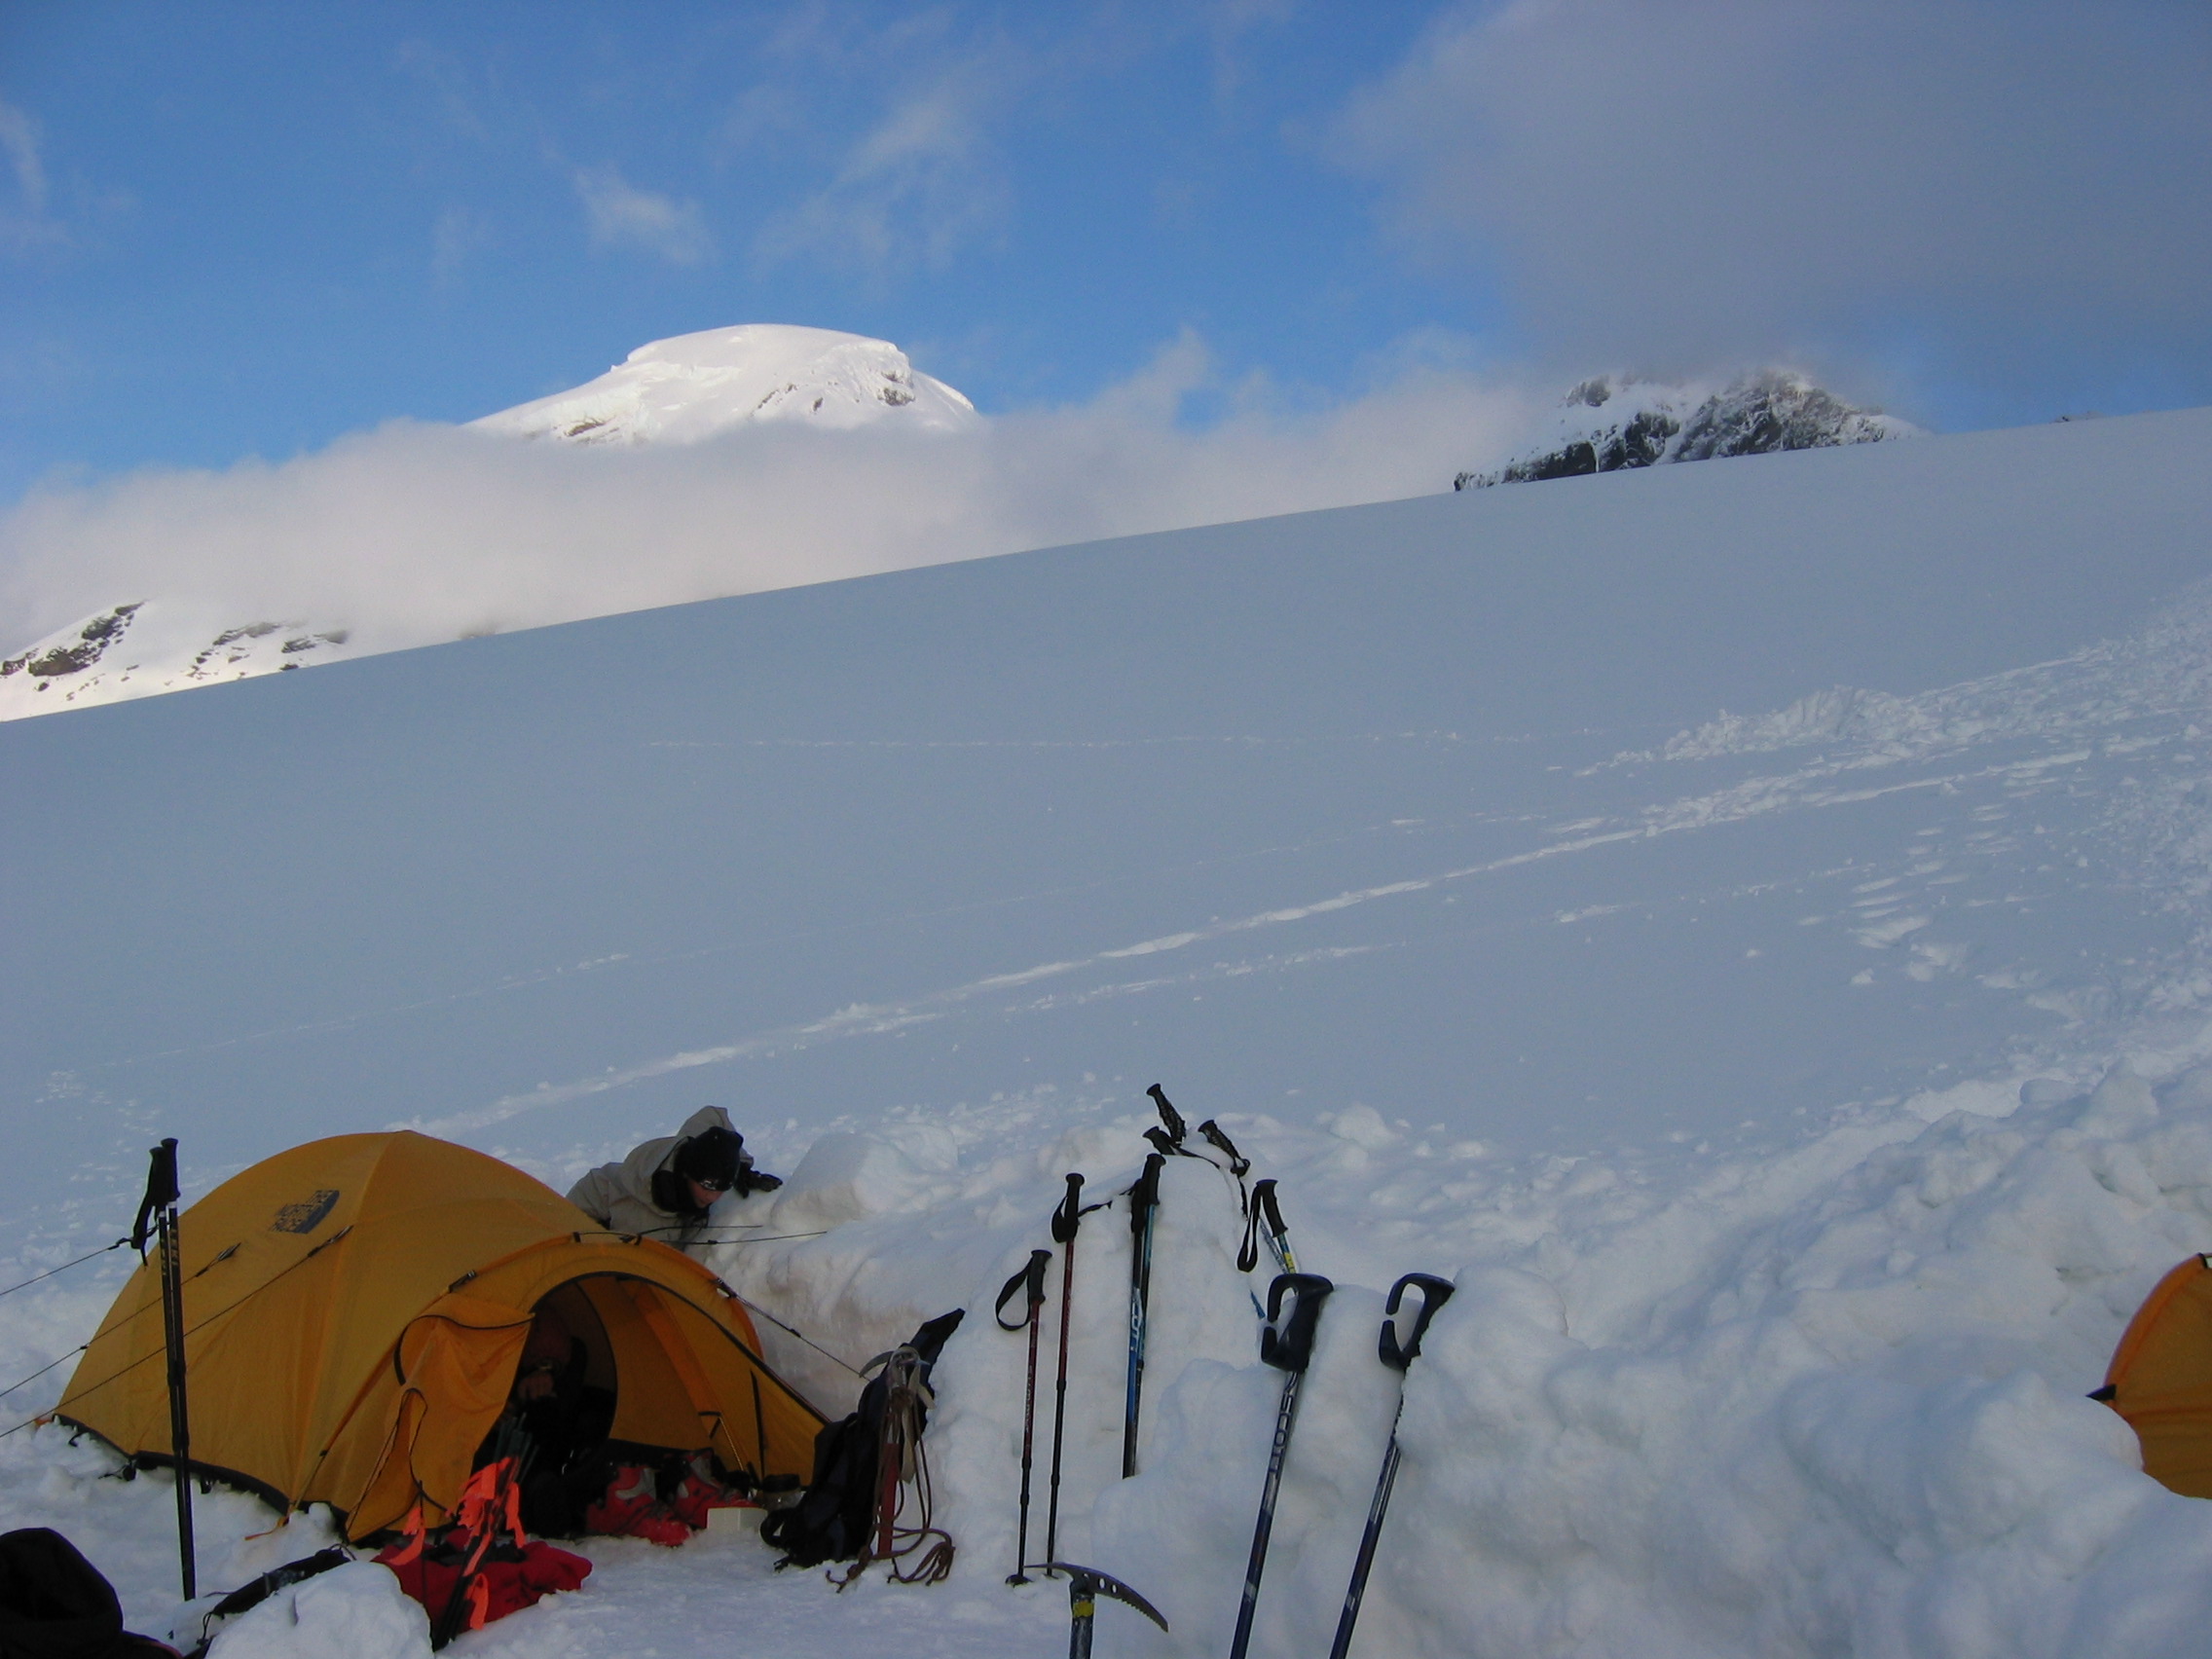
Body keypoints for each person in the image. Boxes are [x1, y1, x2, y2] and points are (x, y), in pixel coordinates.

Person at [564, 1106, 782, 1256]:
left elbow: (714, 1116)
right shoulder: (647, 1220)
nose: (712, 1196)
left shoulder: (694, 1144)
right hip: (574, 1229)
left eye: (722, 1187)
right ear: (687, 1174)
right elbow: (645, 1268)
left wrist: (740, 1167)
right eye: (707, 1186)